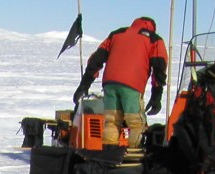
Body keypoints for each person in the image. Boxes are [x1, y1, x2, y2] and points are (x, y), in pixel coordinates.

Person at [72, 16, 168, 147]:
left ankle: (109, 152)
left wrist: (84, 85)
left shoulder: (117, 34)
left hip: (109, 84)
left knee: (111, 122)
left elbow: (96, 59)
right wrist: (156, 96)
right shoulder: (154, 39)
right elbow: (159, 67)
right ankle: (136, 153)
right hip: (132, 86)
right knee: (136, 123)